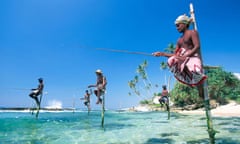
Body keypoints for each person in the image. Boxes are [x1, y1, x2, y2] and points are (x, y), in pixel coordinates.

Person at [152, 14, 206, 98]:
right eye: (176, 26)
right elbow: (175, 54)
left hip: (193, 57)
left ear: (184, 24)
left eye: (178, 25)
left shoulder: (192, 32)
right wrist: (162, 54)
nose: (177, 28)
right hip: (183, 59)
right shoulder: (179, 40)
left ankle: (200, 88)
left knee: (195, 71)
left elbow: (197, 46)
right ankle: (191, 82)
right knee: (172, 60)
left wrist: (187, 55)